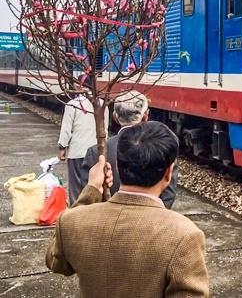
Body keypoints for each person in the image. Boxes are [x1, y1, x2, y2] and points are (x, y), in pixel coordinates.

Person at [46, 121, 209, 298]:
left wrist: (91, 189)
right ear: (168, 173)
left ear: (116, 165)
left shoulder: (71, 222)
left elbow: (55, 262)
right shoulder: (184, 235)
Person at [81, 90, 178, 208]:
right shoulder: (163, 149)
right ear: (145, 116)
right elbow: (168, 196)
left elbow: (86, 196)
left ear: (115, 116)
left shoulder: (95, 153)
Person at [58, 83, 109, 204]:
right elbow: (104, 130)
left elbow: (66, 129)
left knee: (76, 189)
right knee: (94, 187)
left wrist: (62, 147)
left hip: (77, 152)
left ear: (78, 86)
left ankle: (75, 213)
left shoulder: (72, 104)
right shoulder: (103, 105)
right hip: (96, 153)